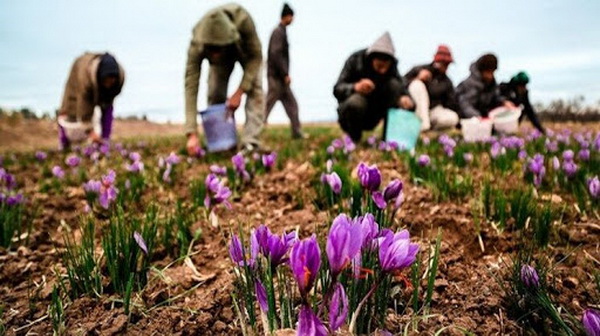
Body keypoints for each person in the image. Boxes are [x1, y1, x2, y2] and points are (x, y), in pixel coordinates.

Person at [184, 3, 264, 155]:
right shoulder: (197, 42)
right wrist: (191, 133)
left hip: (245, 53)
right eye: (211, 50)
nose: (215, 55)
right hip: (222, 62)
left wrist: (240, 91)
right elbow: (191, 86)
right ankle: (220, 143)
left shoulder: (244, 22)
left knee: (255, 89)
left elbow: (256, 57)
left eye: (217, 50)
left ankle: (250, 142)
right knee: (215, 93)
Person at [333, 32, 414, 142]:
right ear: (371, 59)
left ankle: (389, 141)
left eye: (386, 66)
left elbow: (402, 87)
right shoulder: (355, 60)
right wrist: (355, 87)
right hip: (352, 113)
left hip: (375, 113)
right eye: (379, 66)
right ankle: (353, 139)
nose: (383, 70)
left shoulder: (392, 69)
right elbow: (337, 88)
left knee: (394, 86)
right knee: (356, 102)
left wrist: (406, 98)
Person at [57, 52, 125, 149]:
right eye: (107, 81)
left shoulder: (119, 78)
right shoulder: (85, 77)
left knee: (106, 105)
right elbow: (84, 105)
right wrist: (90, 131)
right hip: (79, 71)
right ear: (101, 77)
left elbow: (108, 106)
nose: (109, 84)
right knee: (70, 109)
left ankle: (105, 140)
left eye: (112, 81)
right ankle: (64, 142)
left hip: (96, 79)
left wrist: (105, 137)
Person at [264, 3, 303, 139]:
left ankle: (297, 133)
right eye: (291, 17)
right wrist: (284, 73)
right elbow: (276, 54)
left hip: (281, 78)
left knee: (292, 105)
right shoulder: (278, 32)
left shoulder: (282, 32)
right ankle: (255, 131)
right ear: (286, 16)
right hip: (276, 77)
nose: (292, 20)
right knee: (267, 104)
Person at [404, 45, 459, 131]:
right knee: (417, 85)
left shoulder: (447, 82)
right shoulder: (419, 69)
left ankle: (430, 128)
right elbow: (401, 85)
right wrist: (418, 78)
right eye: (444, 63)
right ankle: (423, 126)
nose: (446, 66)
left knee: (453, 117)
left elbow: (451, 103)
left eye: (447, 64)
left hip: (434, 111)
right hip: (415, 110)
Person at [455, 53, 515, 119]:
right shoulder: (469, 84)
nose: (490, 76)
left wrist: (504, 102)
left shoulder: (492, 84)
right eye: (488, 72)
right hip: (468, 118)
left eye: (492, 72)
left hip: (485, 117)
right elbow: (465, 105)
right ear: (481, 71)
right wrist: (478, 117)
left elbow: (496, 97)